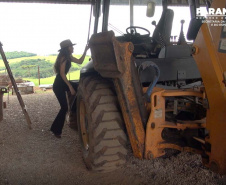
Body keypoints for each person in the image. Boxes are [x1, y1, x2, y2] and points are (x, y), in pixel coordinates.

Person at [50, 39, 89, 138]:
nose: (73, 48)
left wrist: (85, 50)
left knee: (80, 86)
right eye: (71, 46)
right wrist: (70, 86)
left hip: (62, 82)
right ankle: (56, 130)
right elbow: (62, 74)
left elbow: (80, 61)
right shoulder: (63, 58)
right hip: (59, 84)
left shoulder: (68, 57)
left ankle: (76, 108)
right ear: (67, 48)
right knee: (64, 107)